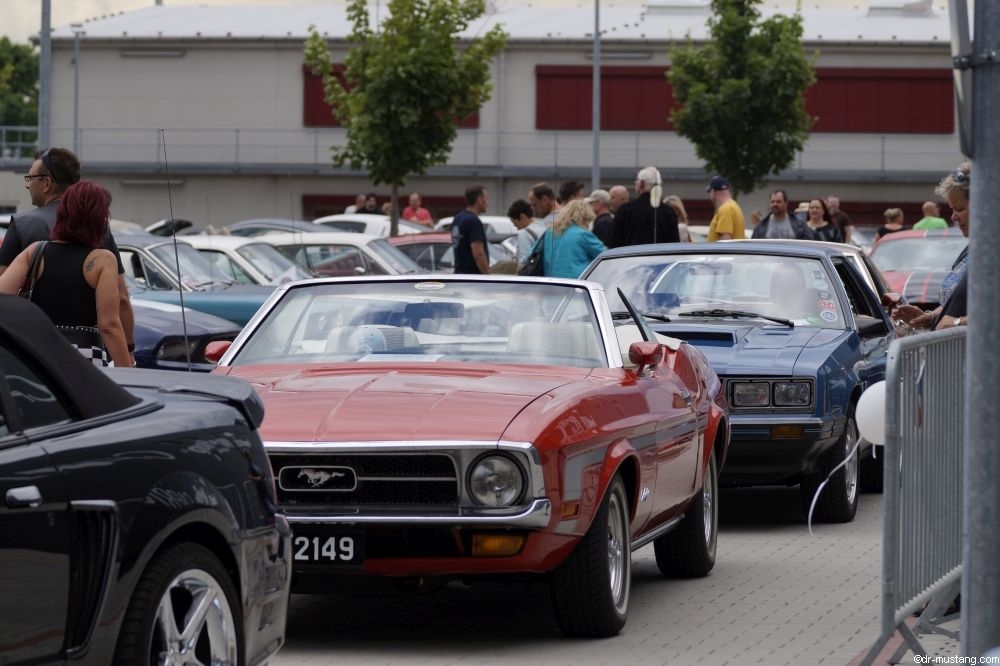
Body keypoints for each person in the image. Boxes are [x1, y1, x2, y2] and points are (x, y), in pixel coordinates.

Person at [0, 147, 136, 363]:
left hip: (38, 352)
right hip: (86, 356)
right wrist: (128, 357)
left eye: (30, 178)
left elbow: (3, 298)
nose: (27, 184)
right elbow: (118, 306)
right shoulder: (102, 258)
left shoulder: (31, 243)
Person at [893, 163, 970, 332]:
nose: (953, 217)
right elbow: (953, 307)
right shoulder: (970, 250)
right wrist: (929, 317)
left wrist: (959, 323)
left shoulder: (991, 253)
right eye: (952, 209)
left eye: (959, 209)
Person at [608, 166, 680, 248]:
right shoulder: (669, 212)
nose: (635, 183)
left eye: (637, 180)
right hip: (661, 256)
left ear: (641, 184)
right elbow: (674, 245)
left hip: (631, 256)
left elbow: (614, 245)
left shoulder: (625, 211)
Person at [540, 199, 606, 279]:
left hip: (552, 281)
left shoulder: (549, 232)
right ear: (584, 217)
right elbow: (605, 255)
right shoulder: (582, 234)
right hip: (577, 281)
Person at [451, 184, 490, 274]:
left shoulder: (457, 218)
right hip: (472, 277)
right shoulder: (474, 221)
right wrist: (487, 276)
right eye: (486, 199)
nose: (488, 202)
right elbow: (478, 253)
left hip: (459, 274)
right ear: (479, 200)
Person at [706, 175, 745, 242]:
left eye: (709, 192)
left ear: (712, 191)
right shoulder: (732, 206)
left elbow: (725, 241)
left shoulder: (725, 209)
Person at [507, 198, 545, 265]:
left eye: (516, 224)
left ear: (522, 216)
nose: (517, 229)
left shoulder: (524, 233)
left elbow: (524, 262)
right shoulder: (544, 227)